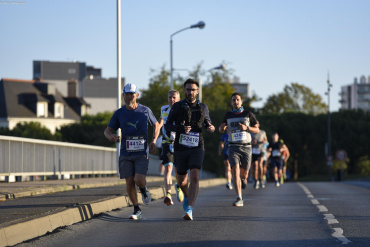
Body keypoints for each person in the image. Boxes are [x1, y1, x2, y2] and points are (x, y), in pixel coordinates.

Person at [104, 83, 160, 220]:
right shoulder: (119, 113)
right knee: (129, 182)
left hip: (141, 153)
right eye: (126, 94)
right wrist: (110, 136)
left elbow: (156, 124)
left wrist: (153, 140)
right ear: (123, 95)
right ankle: (136, 209)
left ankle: (143, 190)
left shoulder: (145, 110)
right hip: (125, 153)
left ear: (137, 95)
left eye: (131, 94)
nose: (129, 97)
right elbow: (107, 130)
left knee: (139, 180)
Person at [165, 78, 215, 220]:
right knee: (181, 180)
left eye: (193, 90)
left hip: (197, 145)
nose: (190, 92)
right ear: (184, 91)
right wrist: (179, 128)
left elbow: (208, 123)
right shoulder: (177, 106)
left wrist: (211, 127)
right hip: (181, 147)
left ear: (197, 91)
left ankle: (190, 209)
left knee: (194, 175)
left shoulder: (203, 107)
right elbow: (167, 125)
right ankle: (186, 195)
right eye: (188, 89)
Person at [219, 92, 259, 207]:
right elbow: (221, 129)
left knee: (244, 174)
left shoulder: (248, 114)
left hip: (246, 147)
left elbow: (256, 129)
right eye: (233, 100)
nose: (235, 102)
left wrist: (246, 128)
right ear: (231, 103)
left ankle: (244, 179)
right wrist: (221, 128)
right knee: (235, 170)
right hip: (233, 147)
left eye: (237, 100)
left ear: (241, 102)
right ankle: (239, 197)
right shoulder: (228, 115)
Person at [157, 89, 184, 206]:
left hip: (179, 143)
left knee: (178, 171)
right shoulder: (164, 109)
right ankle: (168, 194)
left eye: (174, 97)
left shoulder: (183, 109)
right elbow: (160, 123)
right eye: (169, 97)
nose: (171, 99)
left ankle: (178, 186)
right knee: (168, 168)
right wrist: (154, 139)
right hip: (166, 142)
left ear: (178, 99)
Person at [250, 123, 267, 189]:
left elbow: (266, 140)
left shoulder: (262, 132)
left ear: (258, 125)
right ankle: (256, 180)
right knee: (255, 166)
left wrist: (263, 141)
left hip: (261, 150)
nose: (255, 125)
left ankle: (261, 180)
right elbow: (248, 141)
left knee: (260, 165)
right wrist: (252, 142)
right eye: (253, 124)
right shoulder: (251, 133)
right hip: (254, 150)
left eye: (256, 124)